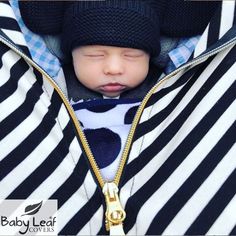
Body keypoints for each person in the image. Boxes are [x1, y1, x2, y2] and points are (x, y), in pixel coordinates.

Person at [0, 0, 235, 235]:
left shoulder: (184, 97)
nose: (114, 68)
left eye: (132, 55)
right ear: (70, 55)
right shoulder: (37, 95)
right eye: (94, 55)